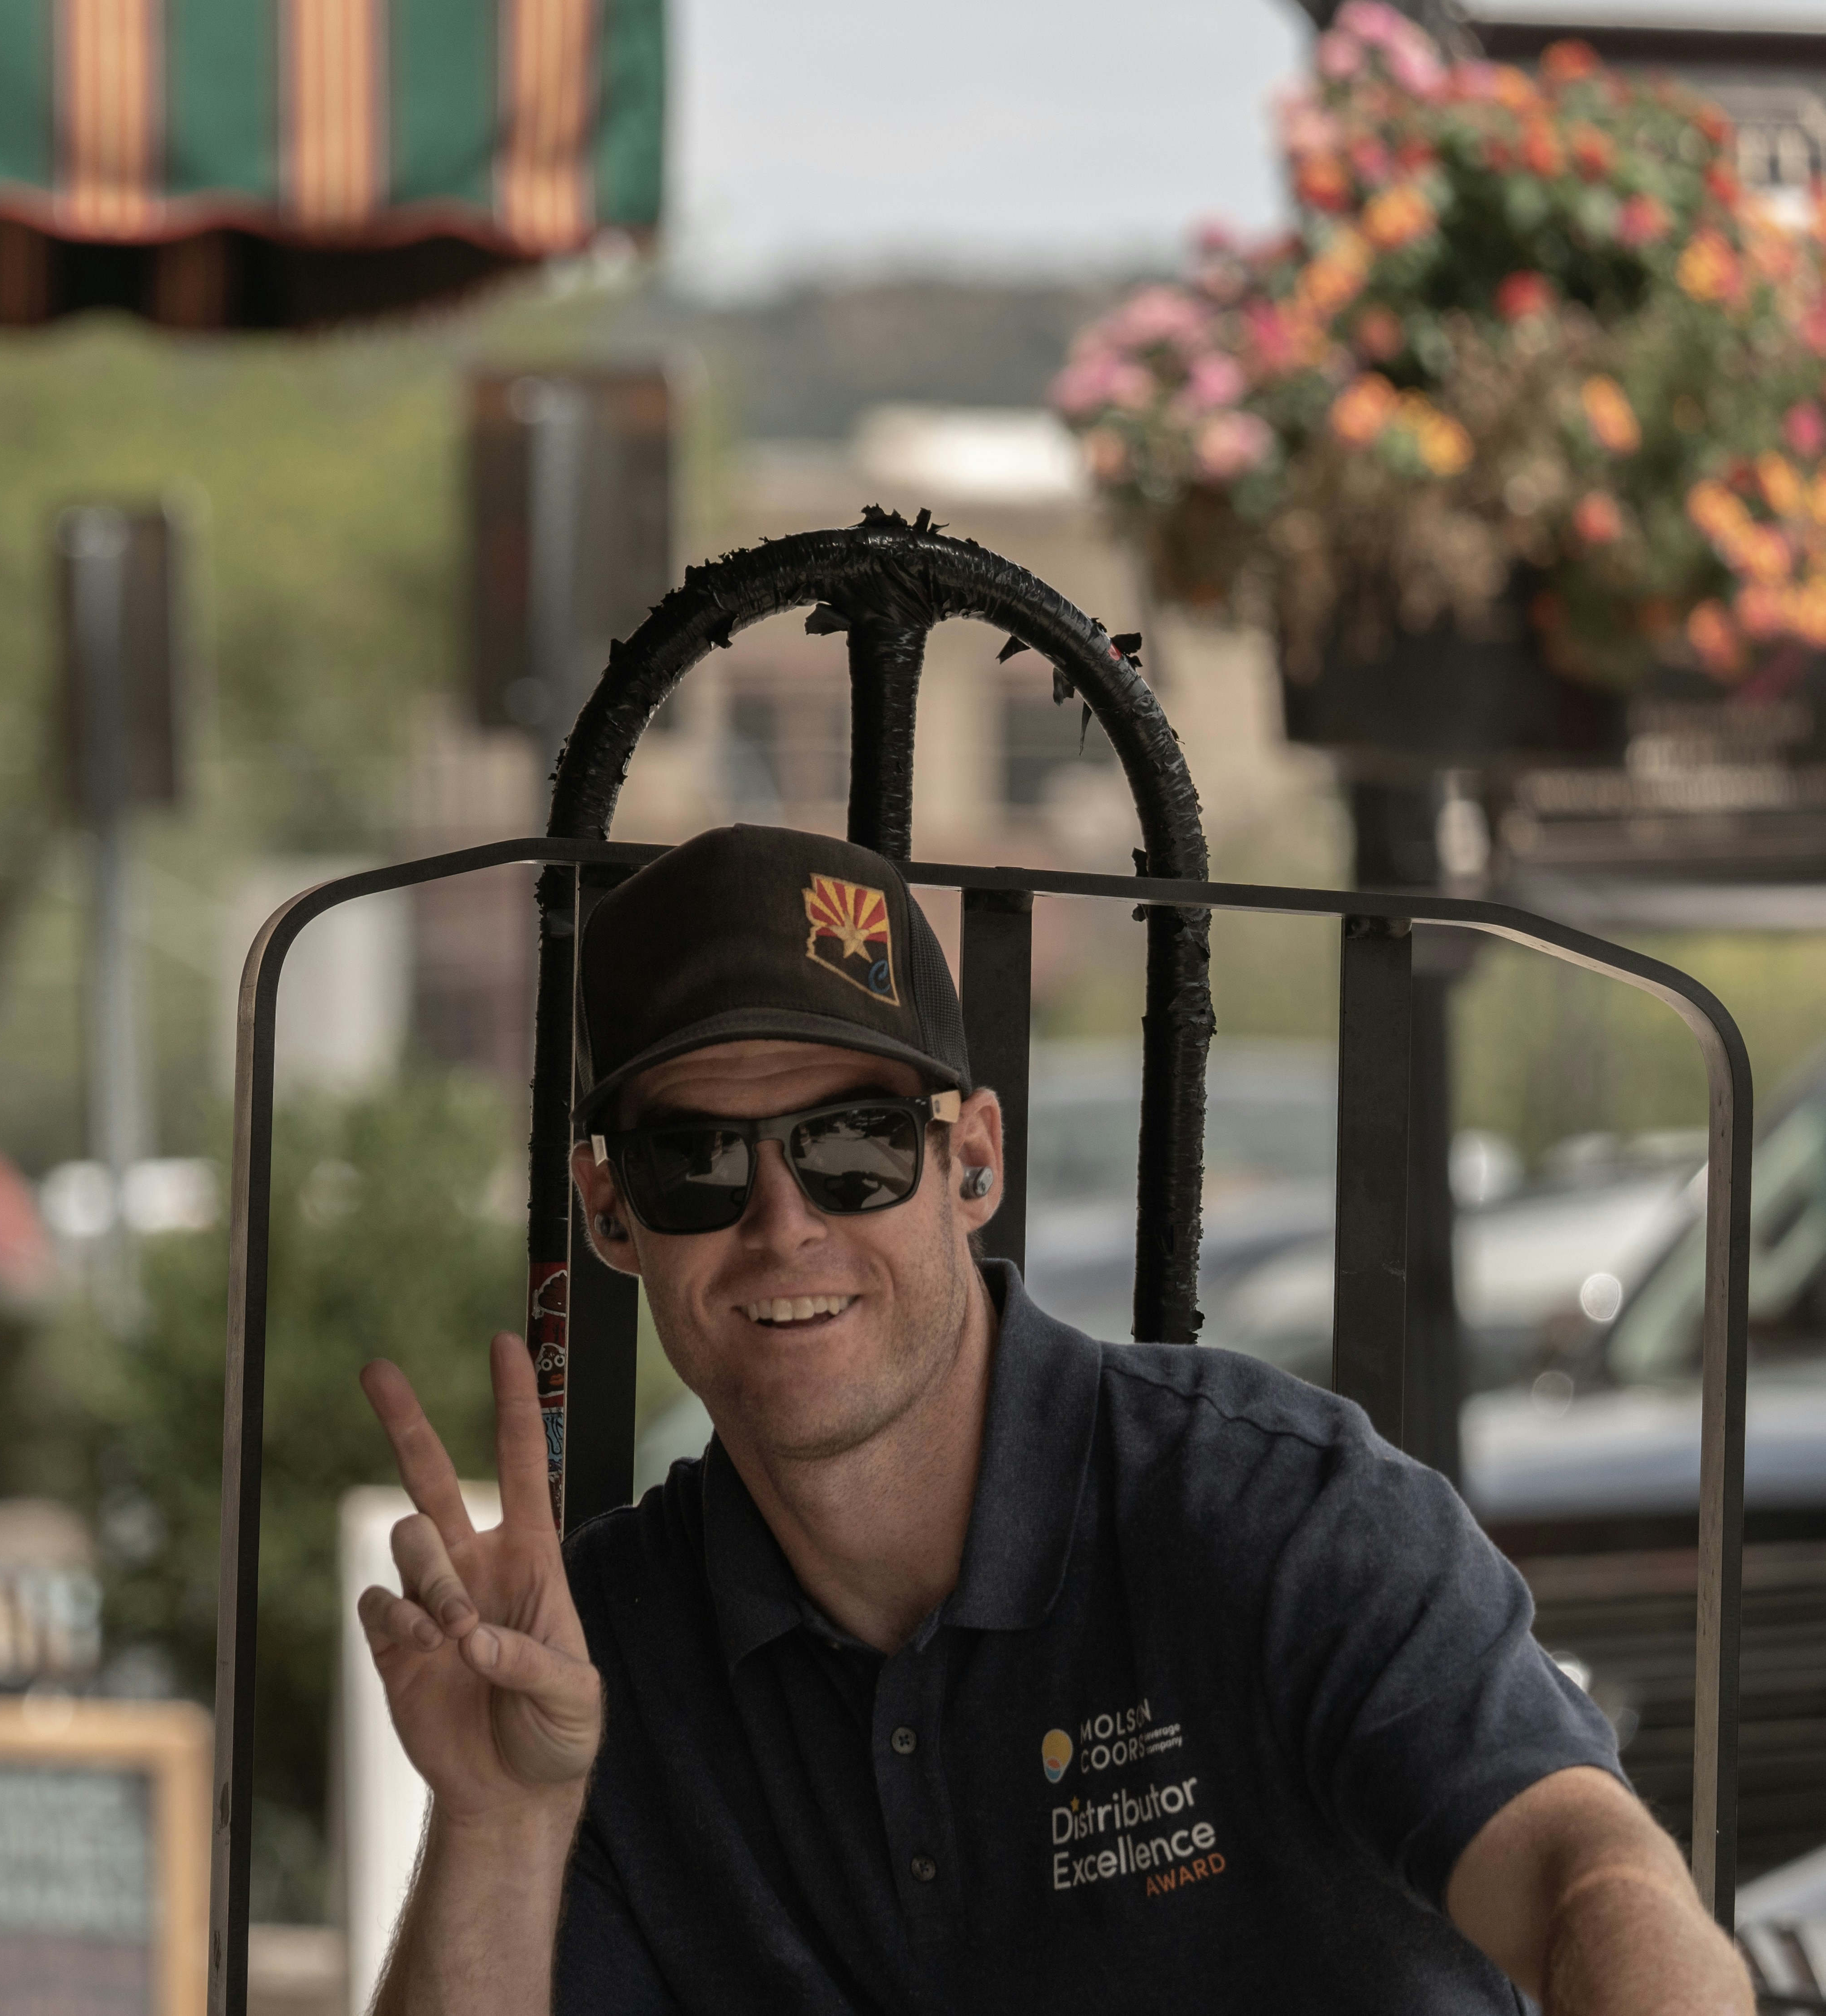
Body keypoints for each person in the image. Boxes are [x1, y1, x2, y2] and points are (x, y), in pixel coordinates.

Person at [355, 823, 1750, 2015]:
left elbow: (1587, 1865)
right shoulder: (598, 1654)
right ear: (613, 1214)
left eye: (854, 1147)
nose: (783, 1225)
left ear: (969, 1162)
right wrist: (493, 1817)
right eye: (696, 1163)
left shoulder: (1273, 1510)